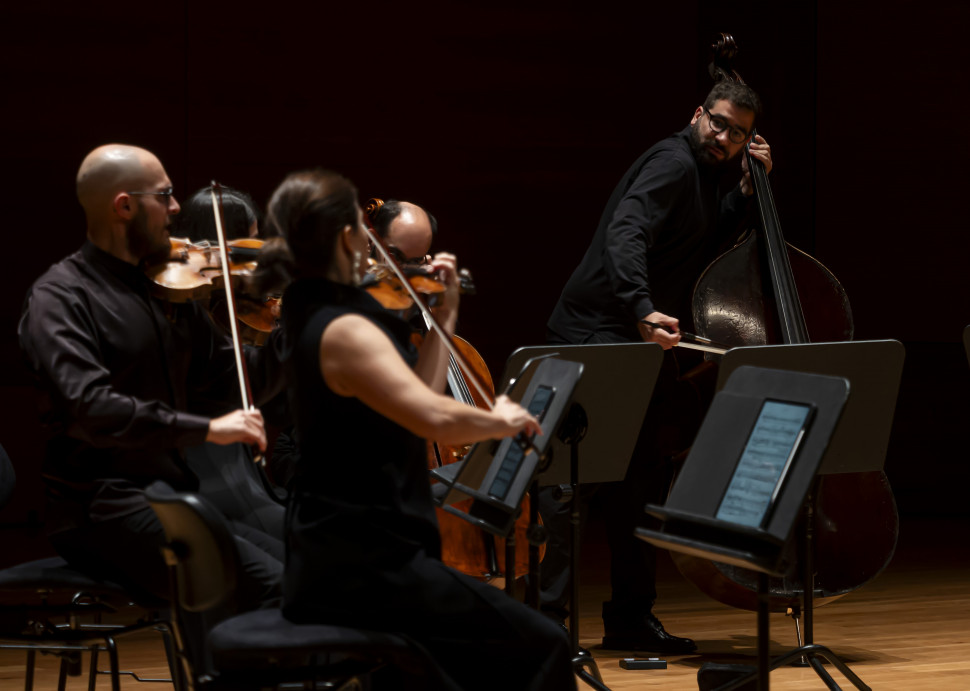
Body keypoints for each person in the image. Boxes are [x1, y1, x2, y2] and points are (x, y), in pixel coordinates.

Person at [254, 169, 575, 691]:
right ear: (347, 238)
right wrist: (501, 419)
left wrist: (442, 320)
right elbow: (427, 414)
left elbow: (422, 392)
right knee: (544, 647)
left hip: (360, 553)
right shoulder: (343, 326)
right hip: (364, 563)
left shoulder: (328, 310)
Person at [17, 145, 286, 663]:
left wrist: (295, 323)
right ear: (124, 206)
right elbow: (92, 408)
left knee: (301, 574)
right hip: (102, 507)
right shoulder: (61, 297)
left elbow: (229, 383)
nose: (177, 208)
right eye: (164, 196)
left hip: (172, 497)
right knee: (271, 588)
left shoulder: (165, 291)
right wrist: (206, 430)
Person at [543, 80, 773, 653]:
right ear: (698, 114)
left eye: (738, 132)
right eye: (718, 123)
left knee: (639, 479)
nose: (724, 137)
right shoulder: (673, 163)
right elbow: (627, 231)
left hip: (637, 342)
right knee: (573, 482)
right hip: (600, 334)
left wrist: (746, 194)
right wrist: (643, 309)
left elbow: (697, 247)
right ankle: (545, 623)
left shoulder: (703, 177)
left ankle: (629, 619)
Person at [173, 184, 287, 540]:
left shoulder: (224, 308)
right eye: (248, 245)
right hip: (208, 477)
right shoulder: (187, 314)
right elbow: (244, 381)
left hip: (238, 471)